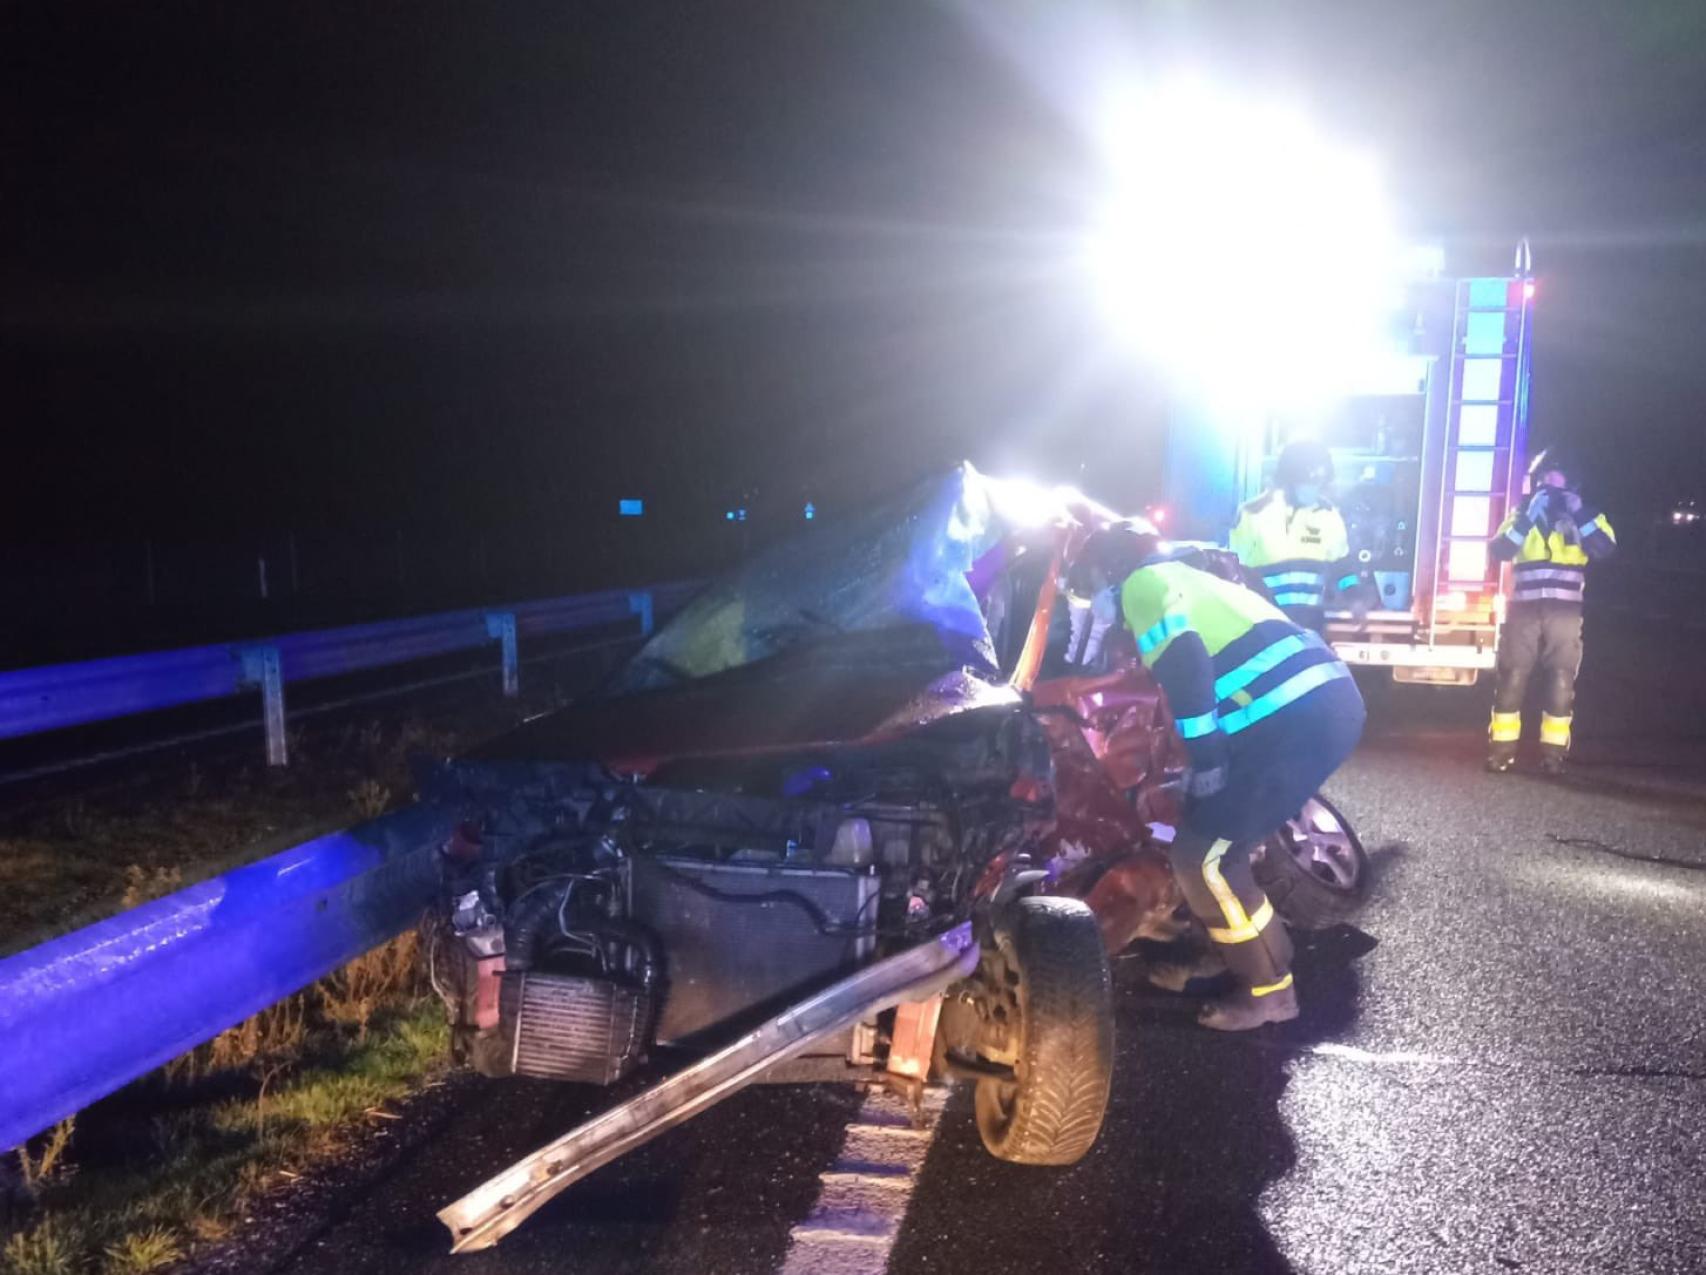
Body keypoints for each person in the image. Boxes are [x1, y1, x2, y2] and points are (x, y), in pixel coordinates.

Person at [1069, 522, 1366, 1030]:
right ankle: (1247, 955)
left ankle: (1271, 993)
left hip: (1297, 719)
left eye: (1088, 588)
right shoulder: (1184, 576)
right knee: (1211, 841)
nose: (1091, 604)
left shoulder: (1143, 585)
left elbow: (1187, 668)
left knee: (1202, 858)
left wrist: (1206, 760)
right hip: (1318, 705)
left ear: (1108, 572)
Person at [1486, 448, 1616, 774]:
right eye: (1541, 480)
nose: (1546, 486)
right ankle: (1501, 752)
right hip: (1524, 609)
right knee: (1512, 675)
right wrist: (1529, 515)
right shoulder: (1521, 515)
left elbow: (1604, 550)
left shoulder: (1589, 515)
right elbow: (1500, 549)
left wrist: (1579, 514)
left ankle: (1553, 756)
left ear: (1572, 484)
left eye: (1554, 481)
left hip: (1565, 612)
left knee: (1561, 676)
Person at [1229, 439, 1373, 634]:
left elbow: (1343, 569)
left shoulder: (1328, 515)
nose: (1316, 485)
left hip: (1310, 628)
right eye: (1310, 479)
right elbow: (1233, 572)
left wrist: (1356, 600)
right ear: (1290, 477)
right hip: (1263, 628)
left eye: (1320, 480)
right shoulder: (1253, 513)